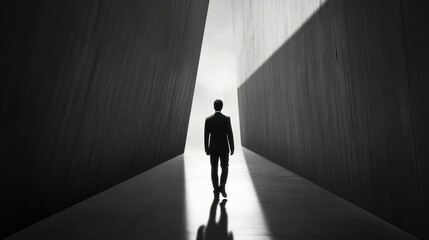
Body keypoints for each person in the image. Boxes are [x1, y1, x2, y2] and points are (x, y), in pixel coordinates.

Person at [204, 99, 234, 199]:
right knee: (225, 168)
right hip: (224, 148)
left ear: (214, 106)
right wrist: (232, 147)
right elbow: (230, 134)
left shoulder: (208, 119)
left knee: (214, 168)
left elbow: (206, 136)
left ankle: (216, 188)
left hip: (213, 148)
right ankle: (222, 187)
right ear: (221, 107)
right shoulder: (226, 119)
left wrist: (206, 149)